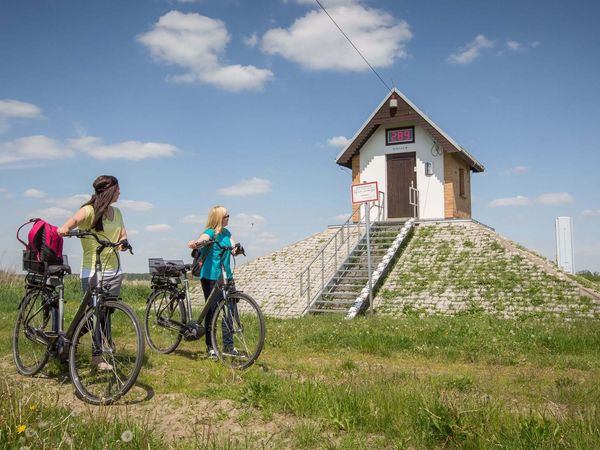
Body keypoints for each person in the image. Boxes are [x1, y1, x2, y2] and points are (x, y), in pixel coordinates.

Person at [58, 175, 128, 370]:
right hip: (92, 271)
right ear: (109, 191)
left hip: (114, 271)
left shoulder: (118, 212)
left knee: (105, 313)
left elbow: (123, 233)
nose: (120, 192)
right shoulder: (88, 211)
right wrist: (65, 228)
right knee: (94, 315)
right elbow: (73, 220)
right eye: (118, 189)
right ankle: (96, 357)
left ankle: (72, 341)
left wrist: (123, 242)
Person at [188, 206, 241, 359]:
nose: (229, 217)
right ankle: (211, 347)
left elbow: (233, 248)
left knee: (229, 311)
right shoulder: (210, 232)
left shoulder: (227, 233)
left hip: (226, 277)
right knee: (212, 311)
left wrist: (237, 249)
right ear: (219, 217)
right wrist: (196, 243)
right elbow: (202, 239)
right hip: (211, 277)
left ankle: (228, 346)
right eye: (226, 215)